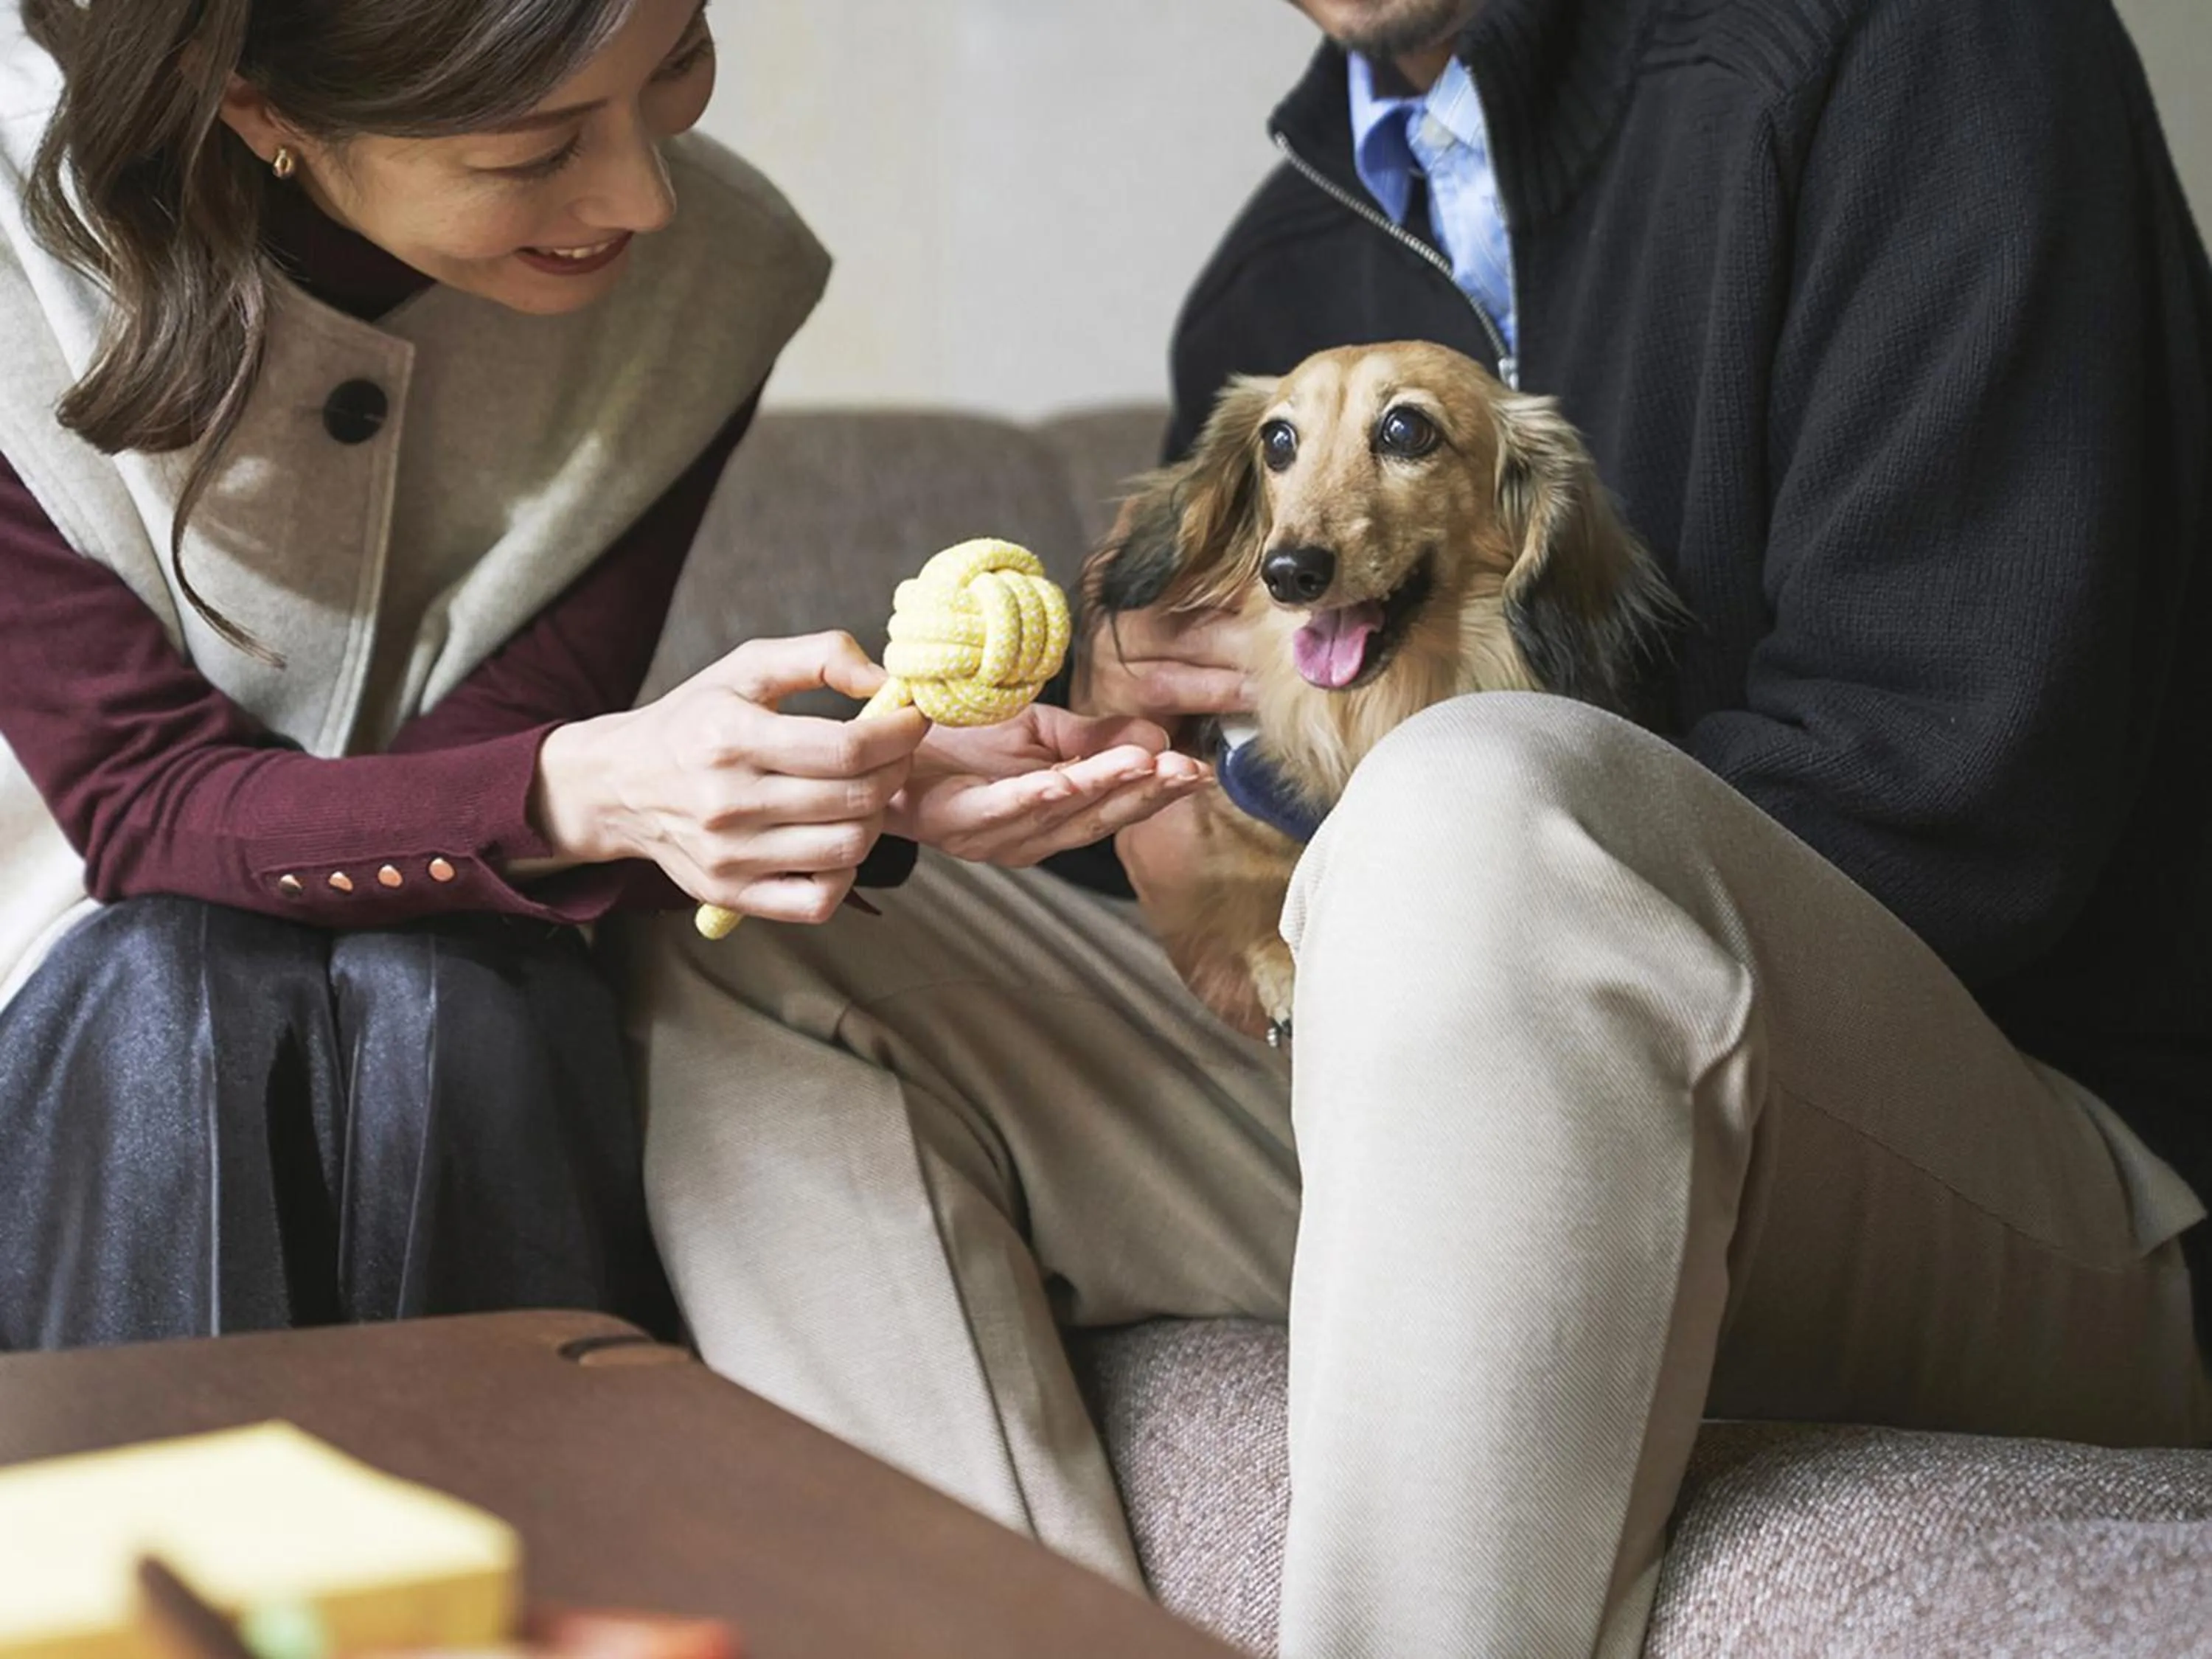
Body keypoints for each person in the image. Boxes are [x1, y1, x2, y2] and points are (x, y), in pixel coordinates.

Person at [633, 0, 2212, 1654]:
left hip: (2011, 1146)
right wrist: (1131, 787)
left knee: (1460, 804)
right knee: (743, 939)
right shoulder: (1277, 273)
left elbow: (1954, 797)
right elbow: (1274, 815)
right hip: (1450, 1072)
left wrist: (1450, 846)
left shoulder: (1927, 46)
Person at [0, 0, 1203, 1354]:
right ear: (260, 105)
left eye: (682, 59)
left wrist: (860, 783)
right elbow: (144, 804)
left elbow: (493, 778)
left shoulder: (716, 272)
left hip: (445, 992)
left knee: (461, 989)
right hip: (60, 1013)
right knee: (182, 987)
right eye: (533, 147)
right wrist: (600, 783)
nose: (642, 194)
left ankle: (557, 1555)